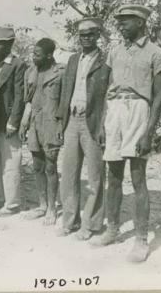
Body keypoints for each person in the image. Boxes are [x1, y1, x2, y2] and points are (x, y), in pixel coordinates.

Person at [91, 5, 161, 263]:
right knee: (112, 175)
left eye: (125, 21)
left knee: (137, 177)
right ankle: (112, 228)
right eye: (119, 22)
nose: (121, 26)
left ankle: (141, 239)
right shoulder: (115, 51)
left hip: (139, 110)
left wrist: (149, 132)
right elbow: (107, 90)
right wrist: (103, 123)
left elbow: (158, 97)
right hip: (114, 111)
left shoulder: (156, 53)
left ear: (140, 22)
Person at [56, 18, 110, 239]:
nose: (85, 38)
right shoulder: (72, 60)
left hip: (94, 122)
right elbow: (65, 91)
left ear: (98, 35)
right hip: (71, 120)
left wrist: (104, 125)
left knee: (96, 175)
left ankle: (92, 224)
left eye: (90, 34)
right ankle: (70, 221)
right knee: (68, 173)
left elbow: (109, 95)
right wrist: (61, 121)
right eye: (82, 35)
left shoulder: (106, 61)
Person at [19, 38, 64, 226]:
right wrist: (23, 122)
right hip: (34, 123)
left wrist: (62, 125)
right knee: (37, 165)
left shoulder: (61, 72)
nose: (33, 57)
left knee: (50, 166)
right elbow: (28, 100)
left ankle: (53, 208)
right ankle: (42, 204)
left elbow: (65, 101)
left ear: (49, 55)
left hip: (52, 124)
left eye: (37, 55)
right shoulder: (30, 72)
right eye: (33, 54)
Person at [0, 27, 26, 216]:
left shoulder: (18, 65)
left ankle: (12, 203)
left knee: (11, 162)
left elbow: (20, 96)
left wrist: (14, 121)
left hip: (8, 121)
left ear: (8, 45)